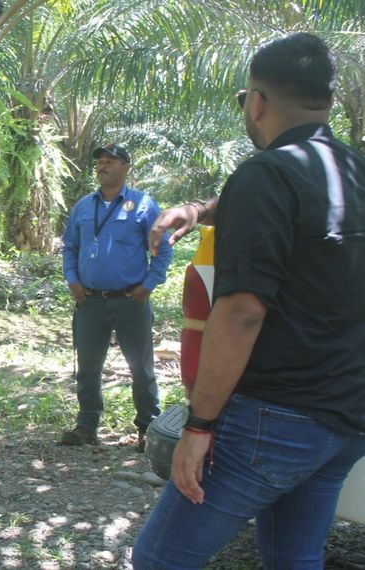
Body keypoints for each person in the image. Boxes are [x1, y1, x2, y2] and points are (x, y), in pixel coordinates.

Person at [133, 33, 365, 569]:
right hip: (345, 416)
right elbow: (296, 202)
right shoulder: (351, 170)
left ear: (257, 102)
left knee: (160, 558)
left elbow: (240, 313)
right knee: (293, 558)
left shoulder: (264, 174)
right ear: (327, 100)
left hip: (275, 419)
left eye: (243, 99)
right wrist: (198, 210)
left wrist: (199, 426)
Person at [61, 143, 173, 451]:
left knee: (141, 369)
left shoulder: (143, 205)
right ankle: (86, 426)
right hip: (90, 301)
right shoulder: (84, 206)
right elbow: (70, 247)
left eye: (110, 161)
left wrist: (149, 283)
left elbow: (163, 250)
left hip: (130, 302)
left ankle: (148, 427)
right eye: (100, 161)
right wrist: (72, 279)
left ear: (126, 167)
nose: (102, 165)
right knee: (87, 368)